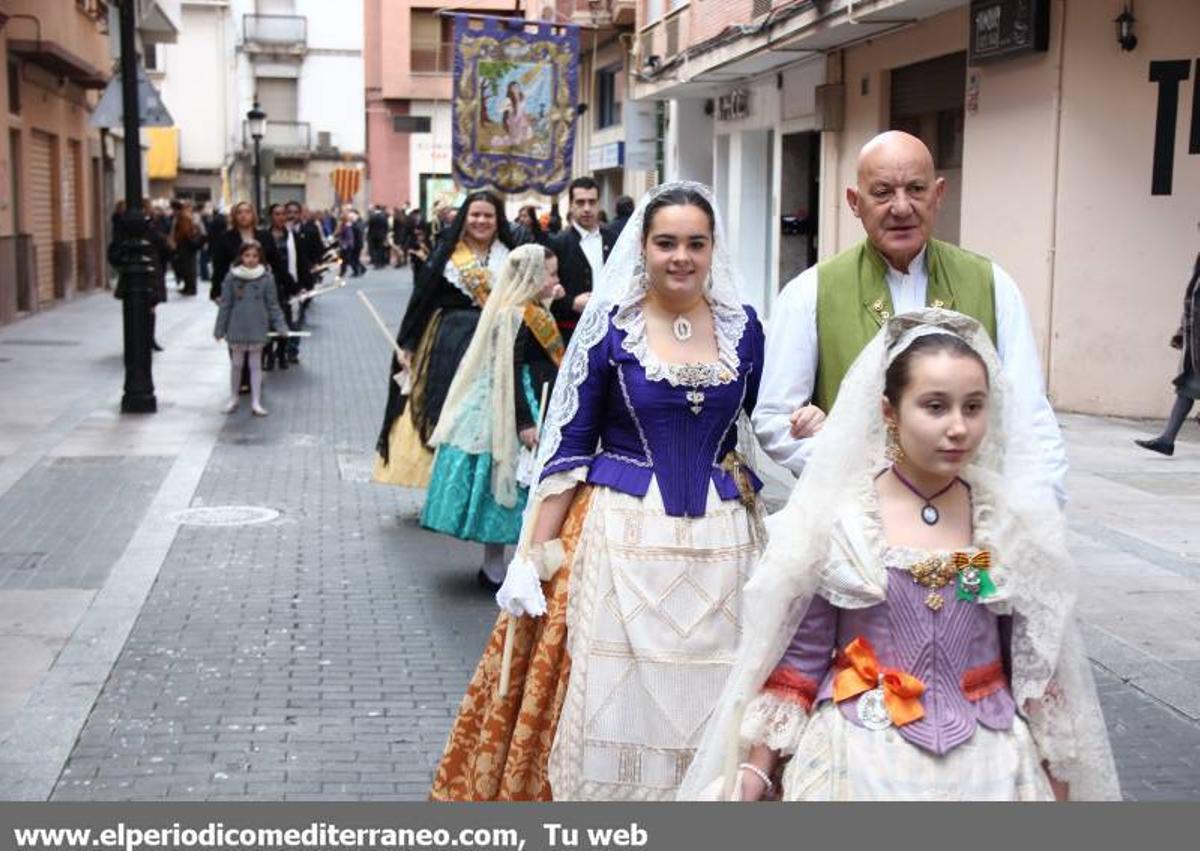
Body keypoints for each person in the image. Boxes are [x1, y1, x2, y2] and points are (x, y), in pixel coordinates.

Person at [679, 309, 1120, 802]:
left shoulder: (1000, 521)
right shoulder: (847, 520)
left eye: (973, 407)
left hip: (990, 764)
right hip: (862, 759)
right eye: (935, 406)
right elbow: (801, 661)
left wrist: (1056, 785)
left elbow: (1030, 663)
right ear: (890, 411)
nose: (958, 428)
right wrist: (756, 773)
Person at [430, 182, 768, 801]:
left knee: (720, 706)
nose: (681, 257)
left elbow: (745, 425)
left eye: (696, 243)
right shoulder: (613, 330)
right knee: (614, 706)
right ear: (643, 247)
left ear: (713, 249)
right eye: (666, 243)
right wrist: (530, 558)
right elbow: (570, 448)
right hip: (619, 540)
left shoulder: (744, 330)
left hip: (725, 549)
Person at [753, 130, 1068, 506]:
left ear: (938, 194)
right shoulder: (811, 293)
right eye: (883, 192)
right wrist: (855, 466)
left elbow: (1030, 414)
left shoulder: (992, 285)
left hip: (968, 518)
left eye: (916, 189)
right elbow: (775, 419)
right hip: (855, 519)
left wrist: (1039, 506)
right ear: (855, 201)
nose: (901, 207)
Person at [421, 245, 565, 589]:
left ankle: (518, 561)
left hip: (533, 398)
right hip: (516, 405)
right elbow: (510, 370)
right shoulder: (514, 314)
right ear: (532, 276)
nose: (556, 280)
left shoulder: (530, 310)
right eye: (551, 273)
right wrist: (524, 421)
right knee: (509, 480)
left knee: (527, 483)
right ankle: (495, 564)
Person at [373, 191, 515, 489]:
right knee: (449, 411)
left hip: (498, 345)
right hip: (449, 345)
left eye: (488, 215)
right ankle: (442, 480)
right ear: (464, 218)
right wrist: (409, 344)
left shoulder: (510, 254)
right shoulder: (447, 254)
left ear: (497, 219)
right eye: (475, 214)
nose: (481, 221)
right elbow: (421, 300)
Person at [213, 241, 289, 417]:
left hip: (258, 326)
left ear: (260, 257)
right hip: (236, 326)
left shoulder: (267, 278)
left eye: (255, 256)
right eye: (247, 255)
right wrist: (219, 329)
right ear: (241, 257)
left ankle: (256, 401)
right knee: (237, 364)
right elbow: (225, 305)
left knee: (256, 365)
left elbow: (273, 305)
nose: (251, 260)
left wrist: (281, 326)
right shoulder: (232, 277)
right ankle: (234, 397)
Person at [1136, 248, 1200, 456]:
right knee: (1187, 388)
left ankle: (1167, 439)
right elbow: (1192, 300)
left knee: (1189, 387)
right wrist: (1184, 331)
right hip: (1196, 339)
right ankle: (1166, 440)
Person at [548, 177, 616, 344]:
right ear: (571, 205)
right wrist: (571, 302)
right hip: (571, 333)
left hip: (610, 329)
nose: (587, 208)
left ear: (599, 204)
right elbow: (545, 293)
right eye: (580, 202)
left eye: (592, 202)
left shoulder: (614, 240)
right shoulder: (557, 243)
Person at [265, 203, 302, 371]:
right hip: (267, 284)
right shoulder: (263, 236)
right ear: (271, 216)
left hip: (286, 284)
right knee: (267, 322)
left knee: (284, 320)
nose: (280, 217)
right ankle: (268, 355)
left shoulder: (292, 237)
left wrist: (301, 284)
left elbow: (301, 261)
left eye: (282, 214)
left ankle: (282, 353)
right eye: (276, 214)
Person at [171, 200, 206, 296]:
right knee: (187, 267)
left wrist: (178, 238)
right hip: (187, 244)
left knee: (188, 267)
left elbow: (185, 232)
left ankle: (190, 287)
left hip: (186, 245)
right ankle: (189, 286)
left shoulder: (184, 217)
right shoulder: (185, 217)